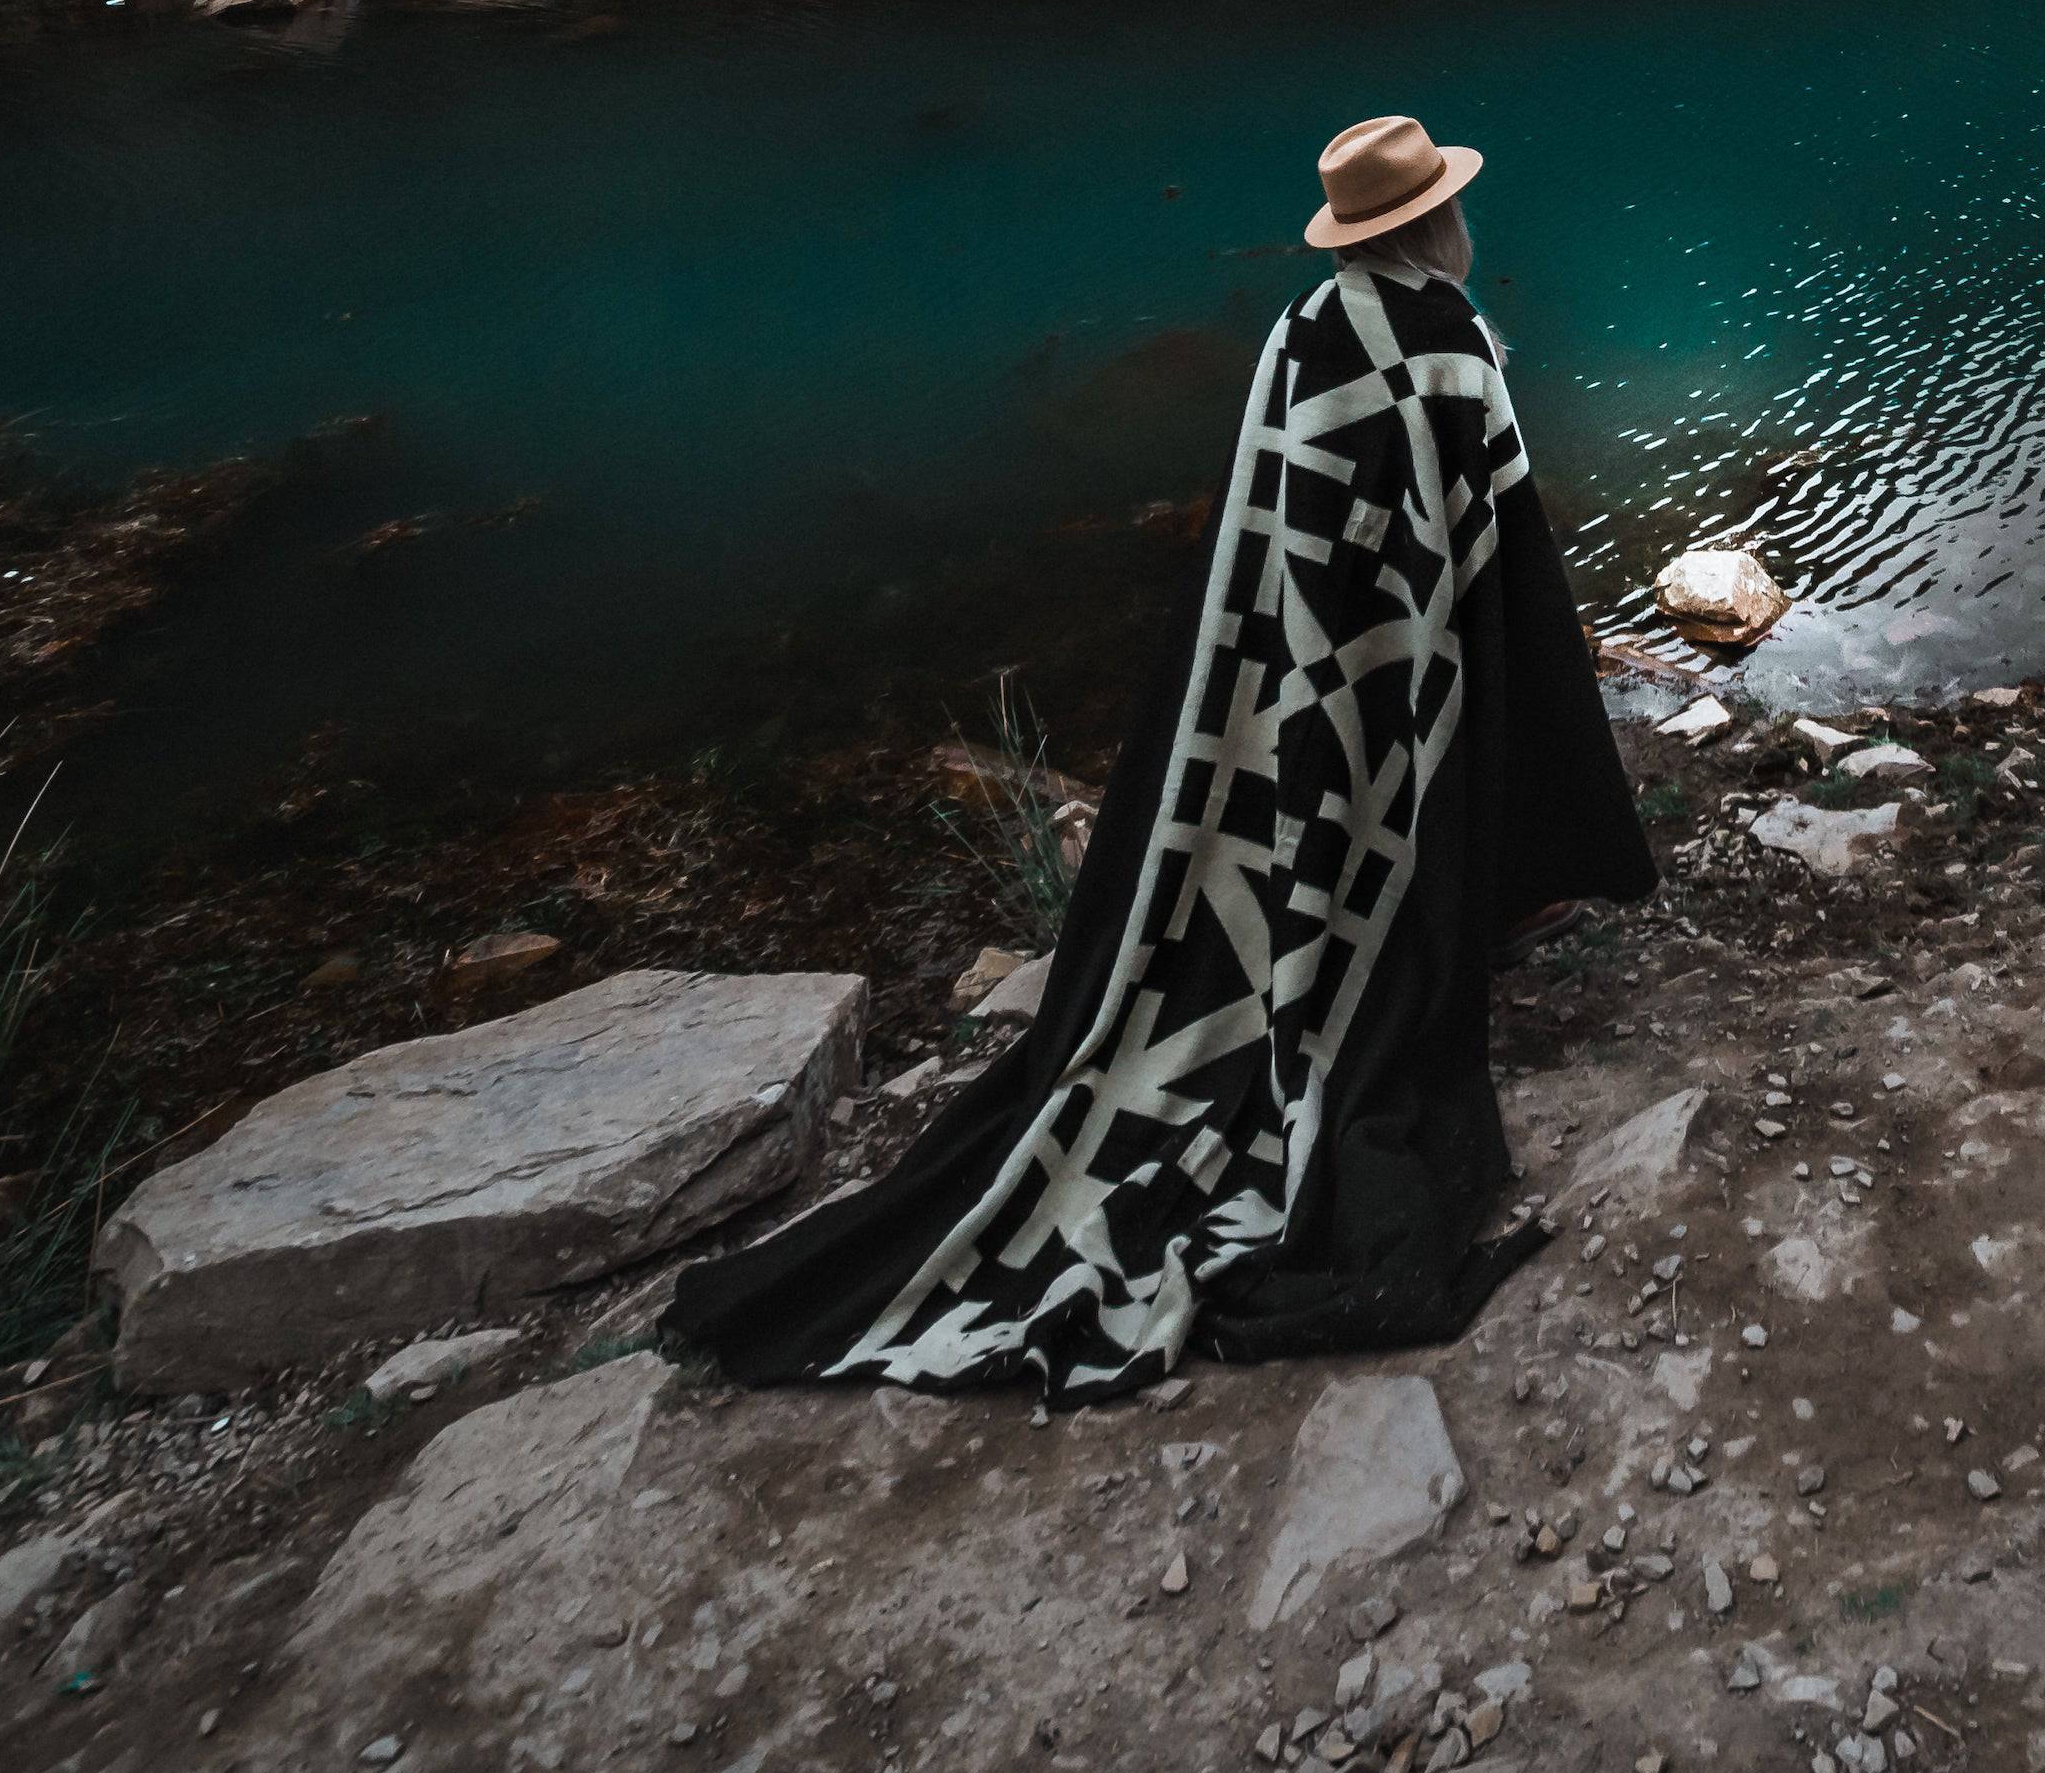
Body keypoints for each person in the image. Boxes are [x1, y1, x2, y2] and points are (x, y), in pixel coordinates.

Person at [668, 113, 1659, 1399]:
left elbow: (1259, 529)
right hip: (1405, 670)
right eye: (1452, 212)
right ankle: (1469, 915)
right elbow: (1504, 561)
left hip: (1291, 676)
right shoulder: (1454, 348)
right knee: (1435, 790)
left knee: (1292, 846)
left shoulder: (1301, 329)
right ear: (1436, 223)